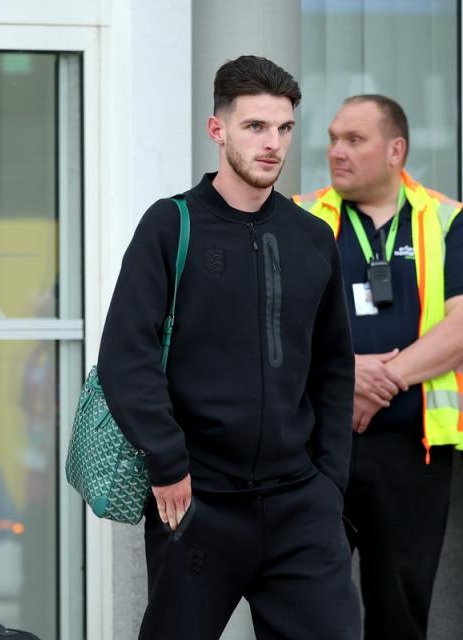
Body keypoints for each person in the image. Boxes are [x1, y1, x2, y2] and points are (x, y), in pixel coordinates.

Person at [99, 55, 360, 640]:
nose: (273, 144)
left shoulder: (312, 237)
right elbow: (126, 354)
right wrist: (167, 463)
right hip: (198, 501)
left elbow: (333, 368)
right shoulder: (170, 226)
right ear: (217, 130)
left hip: (301, 505)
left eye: (284, 128)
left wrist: (330, 483)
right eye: (255, 127)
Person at [294, 95, 463, 640]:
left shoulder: (448, 220)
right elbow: (267, 323)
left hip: (412, 452)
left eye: (353, 140)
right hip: (315, 449)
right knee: (308, 608)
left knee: (400, 611)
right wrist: (344, 376)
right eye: (333, 138)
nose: (336, 151)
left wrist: (380, 380)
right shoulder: (300, 217)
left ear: (395, 149)